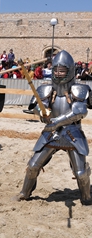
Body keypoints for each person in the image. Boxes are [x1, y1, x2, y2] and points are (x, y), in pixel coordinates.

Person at [16, 50, 92, 205]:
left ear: (70, 70)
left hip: (73, 133)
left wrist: (56, 121)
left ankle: (86, 197)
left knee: (81, 172)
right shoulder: (46, 89)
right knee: (32, 166)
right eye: (56, 70)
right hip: (51, 133)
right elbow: (39, 106)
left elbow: (79, 111)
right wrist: (41, 113)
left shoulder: (79, 89)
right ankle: (25, 193)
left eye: (62, 70)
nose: (58, 73)